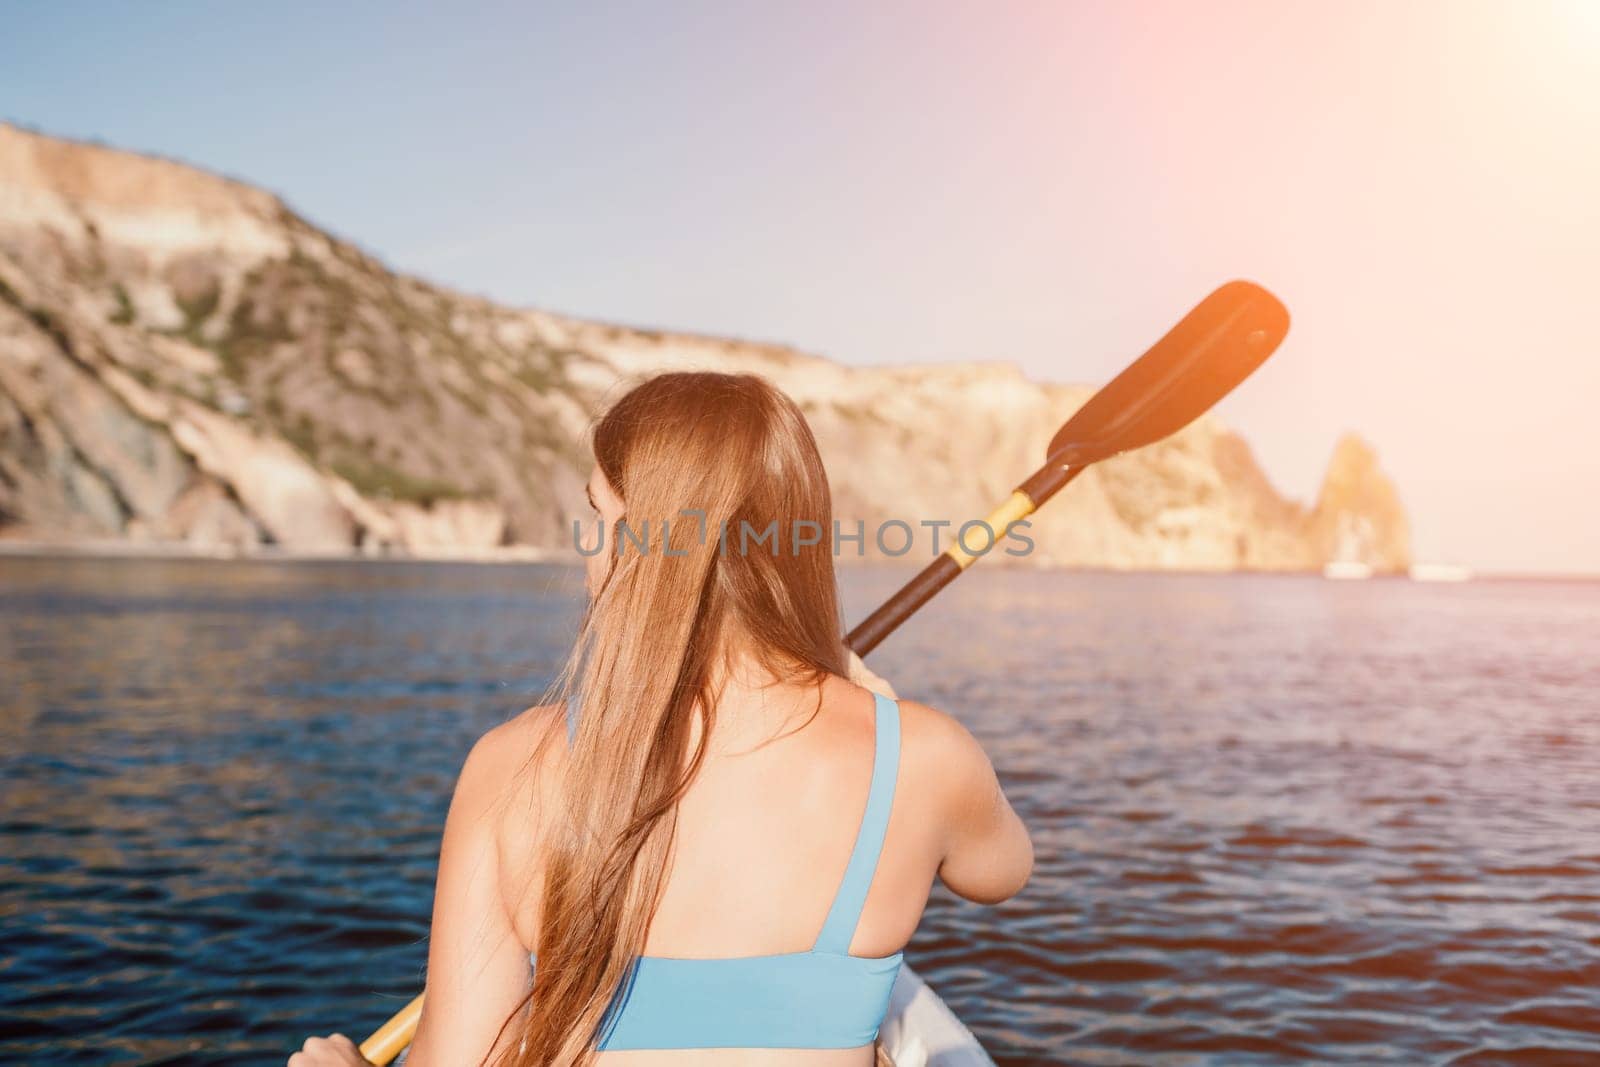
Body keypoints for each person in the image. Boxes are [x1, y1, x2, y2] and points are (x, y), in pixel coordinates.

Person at [290, 372, 1032, 1067]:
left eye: (599, 516)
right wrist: (875, 707)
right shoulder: (922, 757)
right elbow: (1002, 871)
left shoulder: (508, 767)